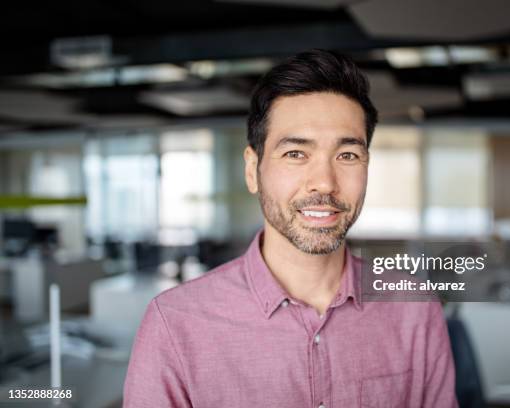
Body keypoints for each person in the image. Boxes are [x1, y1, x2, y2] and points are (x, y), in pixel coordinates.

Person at [123, 49, 458, 407]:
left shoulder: (414, 308)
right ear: (253, 170)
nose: (324, 183)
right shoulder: (175, 324)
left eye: (347, 155)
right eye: (296, 154)